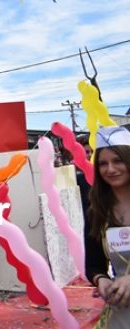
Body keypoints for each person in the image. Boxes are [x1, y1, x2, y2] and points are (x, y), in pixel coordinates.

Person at [84, 126, 130, 327]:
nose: (110, 169)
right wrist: (101, 279)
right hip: (123, 310)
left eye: (118, 160)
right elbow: (93, 264)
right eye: (103, 163)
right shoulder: (98, 210)